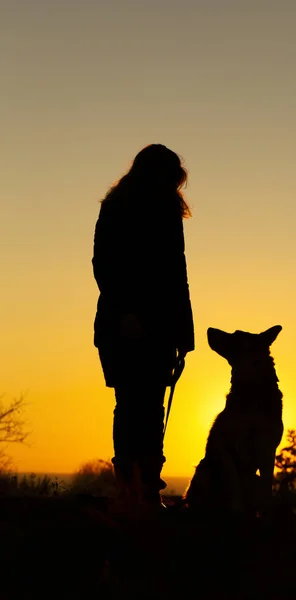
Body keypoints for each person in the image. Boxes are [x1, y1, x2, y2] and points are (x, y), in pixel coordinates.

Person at [92, 144, 195, 513]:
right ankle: (131, 488)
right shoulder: (117, 209)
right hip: (122, 326)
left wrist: (185, 334)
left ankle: (147, 488)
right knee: (131, 405)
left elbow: (177, 274)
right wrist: (126, 314)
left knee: (150, 408)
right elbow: (104, 265)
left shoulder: (168, 212)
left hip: (161, 327)